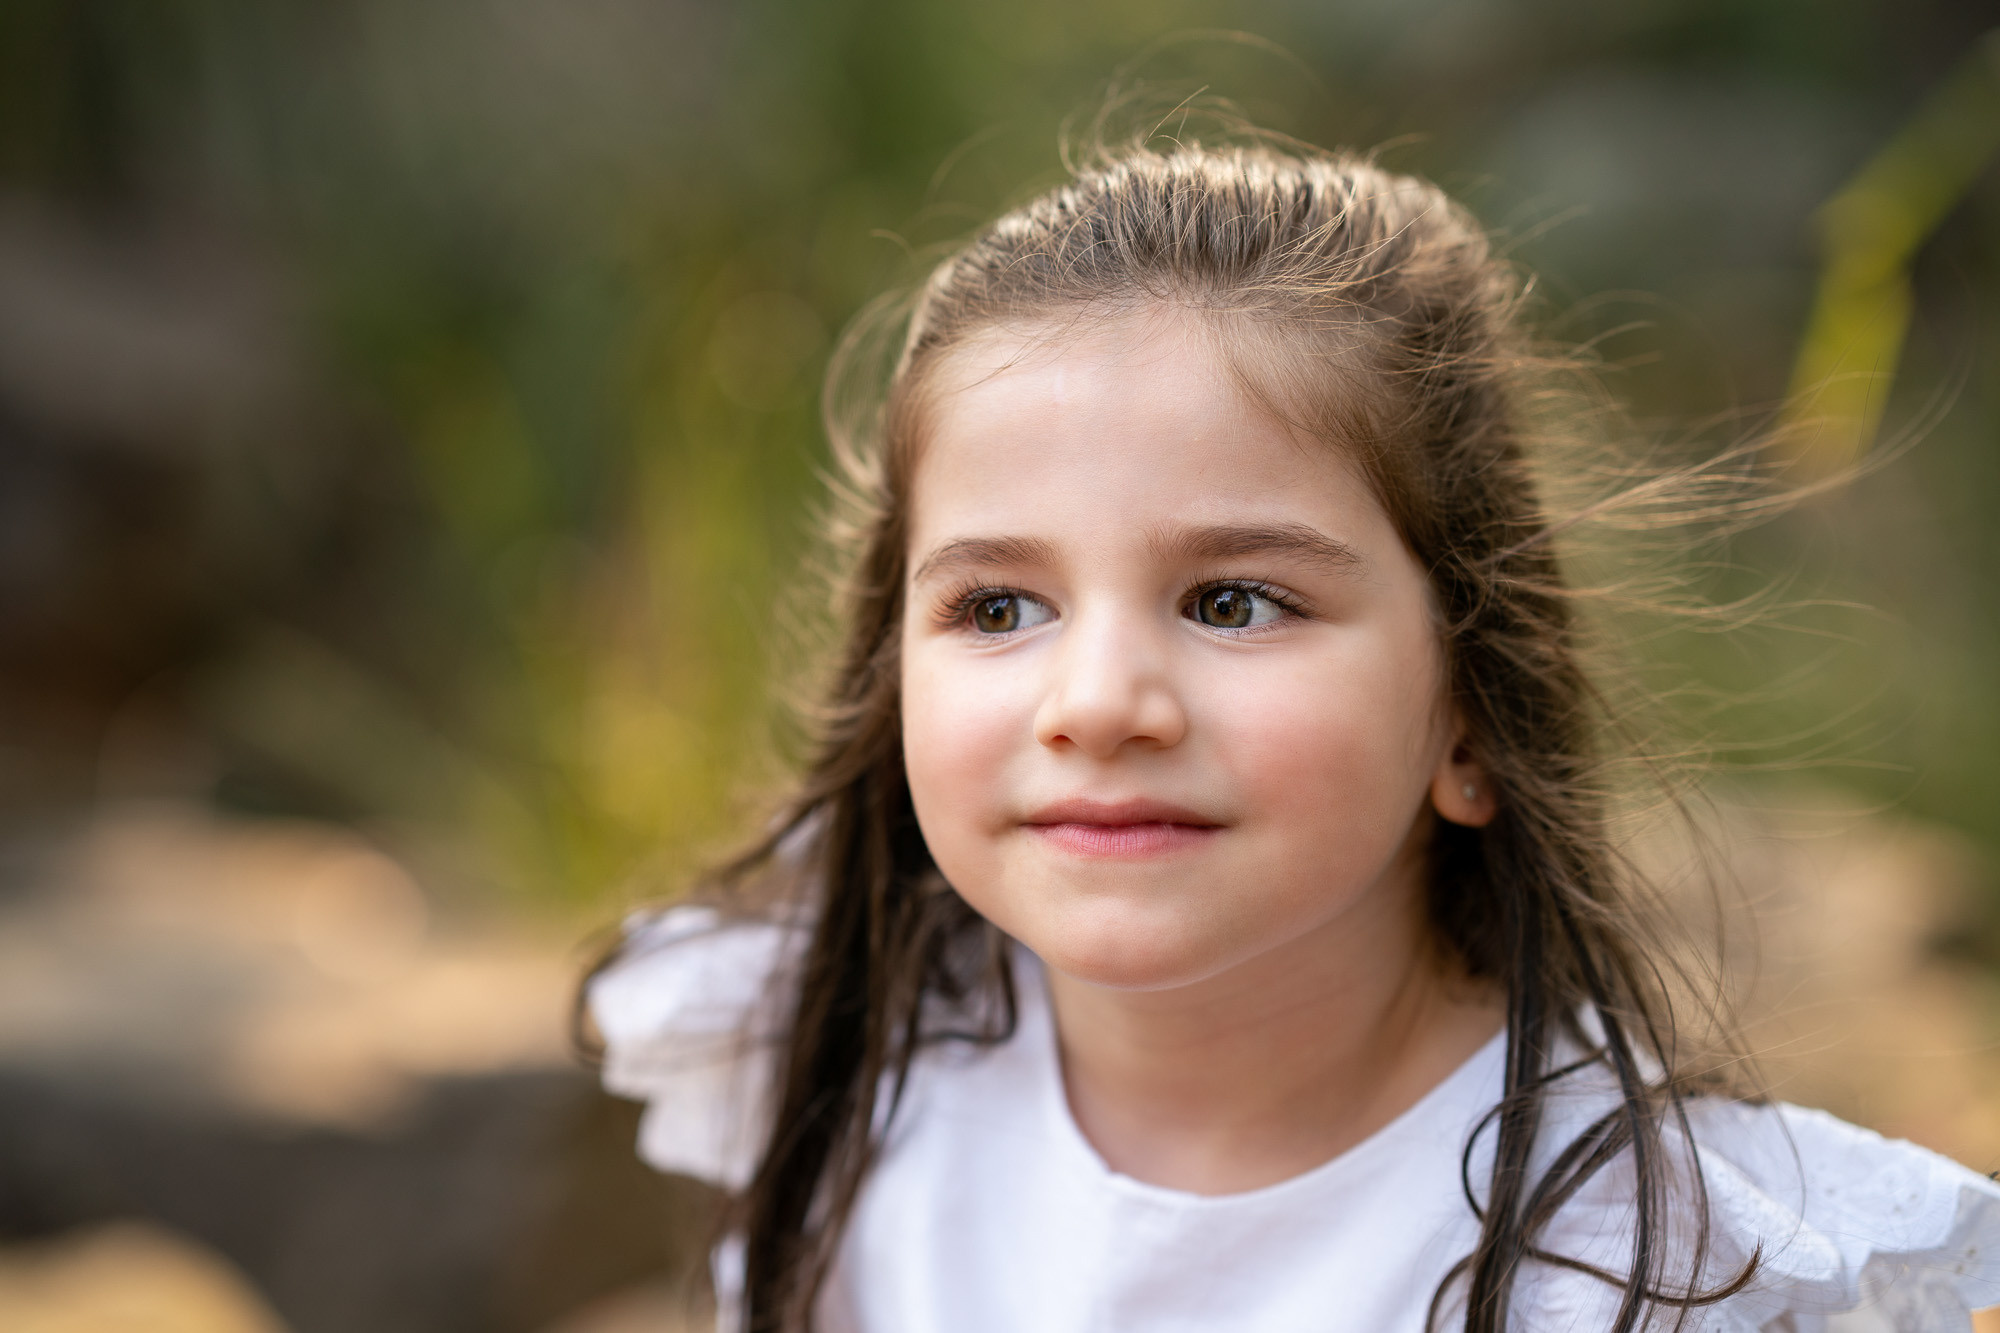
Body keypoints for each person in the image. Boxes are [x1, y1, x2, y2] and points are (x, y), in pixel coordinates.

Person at [583, 136, 2000, 1332]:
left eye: (1234, 599)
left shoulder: (1651, 1270)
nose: (1095, 703)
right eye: (1000, 604)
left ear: (1471, 710)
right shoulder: (862, 1080)